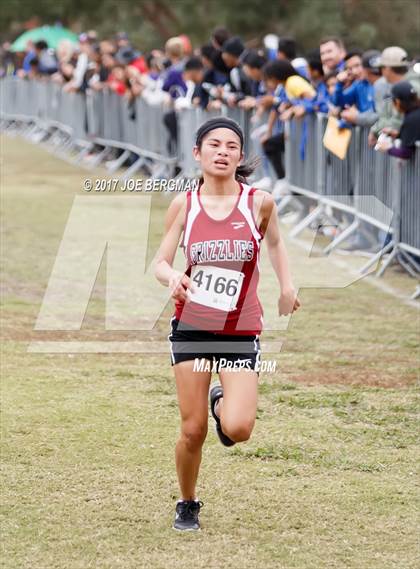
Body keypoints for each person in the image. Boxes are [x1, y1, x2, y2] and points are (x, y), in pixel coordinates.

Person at [154, 117, 301, 531]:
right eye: (213, 144)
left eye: (231, 146)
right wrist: (173, 278)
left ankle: (223, 402)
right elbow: (160, 261)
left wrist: (287, 286)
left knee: (237, 428)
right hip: (193, 327)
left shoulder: (259, 202)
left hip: (240, 328)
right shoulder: (185, 204)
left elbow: (275, 243)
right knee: (193, 428)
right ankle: (187, 502)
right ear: (197, 153)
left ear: (240, 156)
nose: (222, 151)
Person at [376, 81, 420, 159]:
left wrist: (388, 148)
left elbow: (406, 153)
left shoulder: (412, 118)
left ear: (398, 102)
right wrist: (399, 135)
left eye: (393, 101)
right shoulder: (415, 113)